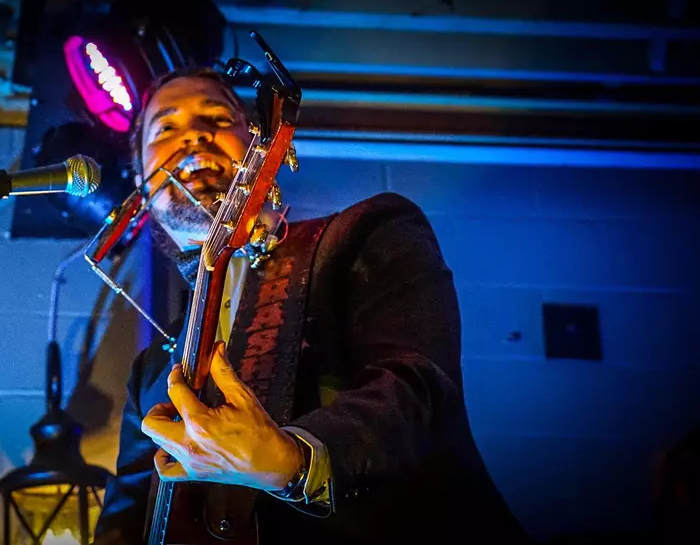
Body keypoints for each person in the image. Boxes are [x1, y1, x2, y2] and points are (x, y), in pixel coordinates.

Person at [91, 67, 529, 544]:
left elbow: (414, 389)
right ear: (139, 180)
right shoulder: (150, 371)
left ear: (260, 153)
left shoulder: (363, 234)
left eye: (217, 117)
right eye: (166, 128)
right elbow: (125, 521)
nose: (195, 134)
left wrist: (293, 459)